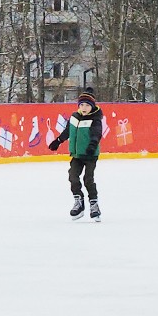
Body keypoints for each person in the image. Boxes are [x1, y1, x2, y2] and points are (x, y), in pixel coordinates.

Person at [48, 87, 104, 221]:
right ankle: (78, 202)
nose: (84, 108)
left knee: (88, 180)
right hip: (76, 155)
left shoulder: (95, 120)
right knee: (73, 177)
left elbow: (96, 135)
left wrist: (92, 146)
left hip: (90, 155)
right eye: (82, 105)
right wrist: (58, 141)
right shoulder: (74, 117)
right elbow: (68, 131)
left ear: (92, 106)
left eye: (87, 105)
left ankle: (94, 204)